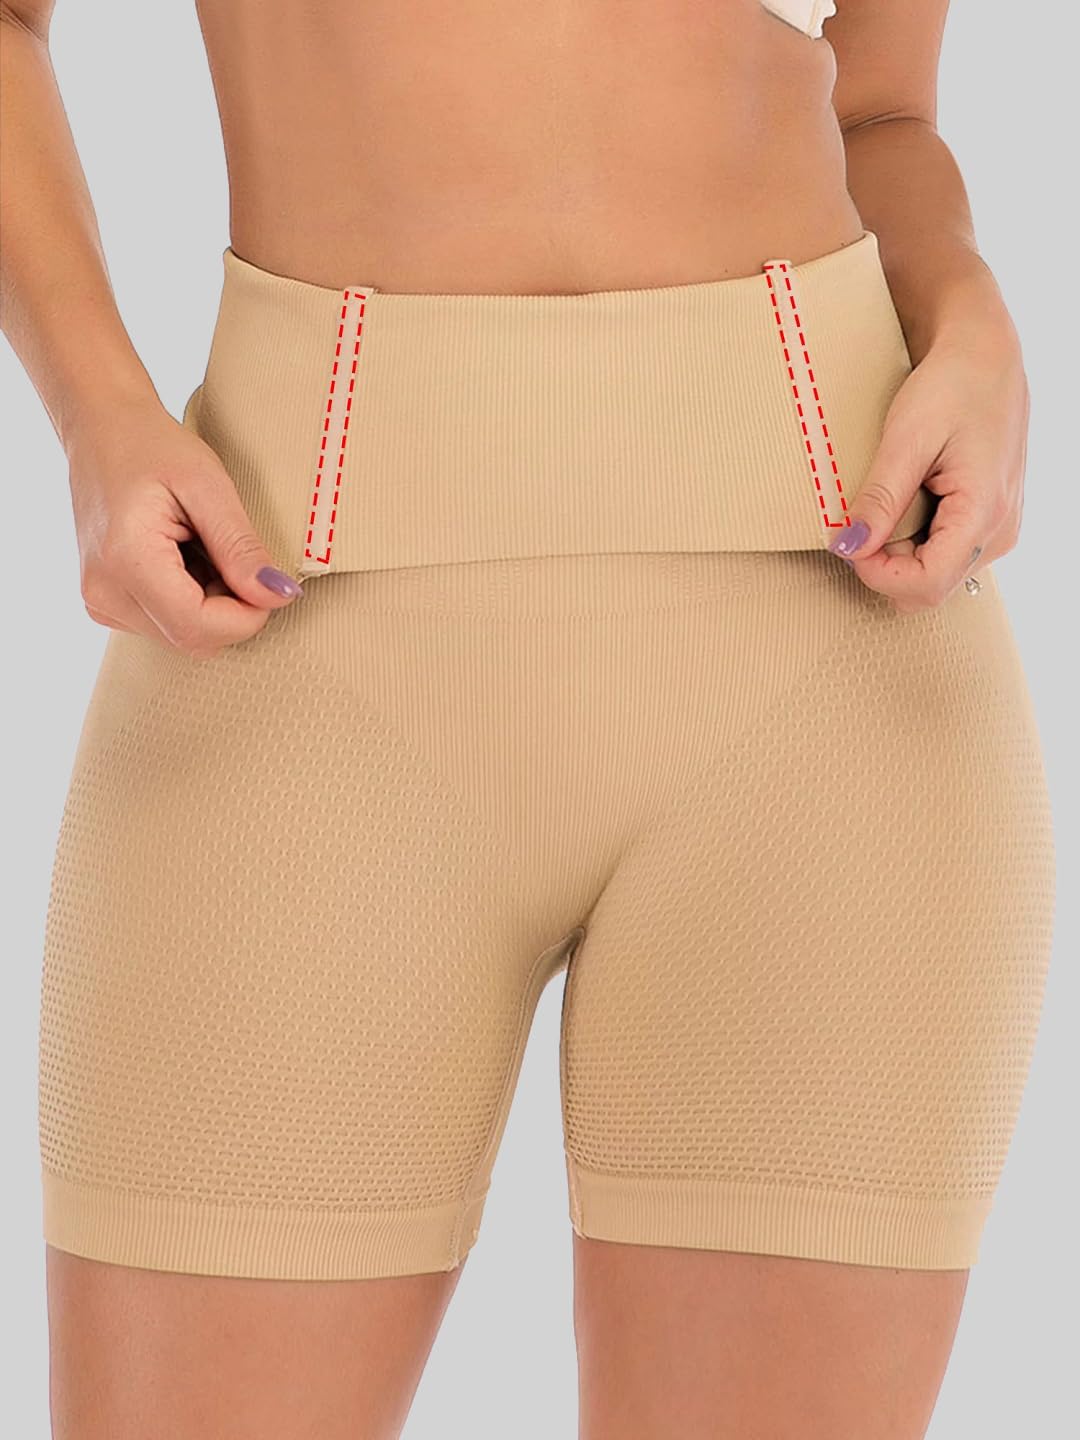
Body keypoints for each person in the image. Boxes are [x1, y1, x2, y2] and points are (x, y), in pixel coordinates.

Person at [0, 0, 1056, 1435]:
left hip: (836, 641)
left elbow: (879, 110)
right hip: (285, 613)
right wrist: (96, 416)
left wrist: (971, 309)